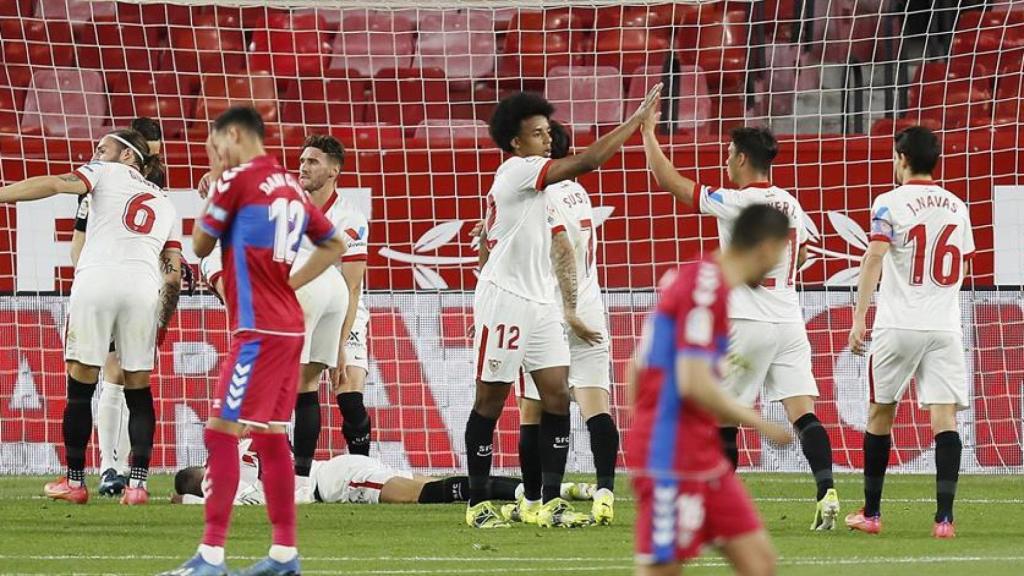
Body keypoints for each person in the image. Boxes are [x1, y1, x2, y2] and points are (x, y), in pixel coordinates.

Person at [463, 84, 662, 529]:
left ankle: (548, 500)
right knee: (490, 400)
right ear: (516, 143)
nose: (547, 137)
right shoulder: (518, 170)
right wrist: (636, 121)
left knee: (556, 397)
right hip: (506, 301)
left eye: (547, 131)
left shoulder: (538, 188)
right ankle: (477, 505)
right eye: (537, 132)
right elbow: (590, 161)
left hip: (540, 303)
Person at [160, 106, 345, 576]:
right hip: (288, 327)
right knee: (270, 436)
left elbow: (200, 247)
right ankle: (284, 555)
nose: (214, 153)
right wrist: (292, 282)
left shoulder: (236, 179)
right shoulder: (287, 183)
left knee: (221, 432)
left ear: (235, 136)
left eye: (216, 144)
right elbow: (334, 244)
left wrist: (217, 183)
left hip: (258, 330)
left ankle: (211, 556)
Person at [642, 119, 840, 529]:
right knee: (804, 414)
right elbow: (801, 257)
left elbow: (670, 181)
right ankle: (827, 492)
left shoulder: (733, 201)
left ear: (743, 158)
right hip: (789, 319)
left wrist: (647, 133)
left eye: (729, 154)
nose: (726, 161)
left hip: (746, 321)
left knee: (721, 418)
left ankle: (717, 508)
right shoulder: (790, 204)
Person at [0, 128, 180, 506]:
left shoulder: (105, 172)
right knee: (139, 388)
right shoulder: (165, 201)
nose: (96, 153)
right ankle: (137, 486)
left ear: (128, 156)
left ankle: (76, 481)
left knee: (81, 388)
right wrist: (162, 317)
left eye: (103, 149)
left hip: (97, 281)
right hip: (143, 290)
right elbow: (174, 271)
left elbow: (53, 184)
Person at [629, 204, 796, 576]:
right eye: (782, 253)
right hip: (670, 453)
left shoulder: (694, 276)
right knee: (663, 570)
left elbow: (636, 366)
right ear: (768, 248)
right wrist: (762, 424)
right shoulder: (707, 291)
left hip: (701, 450)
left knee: (759, 563)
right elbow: (694, 381)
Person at [845, 126, 975, 539]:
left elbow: (874, 257)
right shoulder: (957, 206)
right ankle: (944, 520)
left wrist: (859, 316)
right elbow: (965, 266)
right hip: (943, 326)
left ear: (901, 158)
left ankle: (872, 513)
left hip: (898, 324)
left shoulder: (889, 202)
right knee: (944, 418)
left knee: (881, 412)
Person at [501, 121, 618, 526]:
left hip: (550, 311)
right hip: (591, 307)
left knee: (533, 409)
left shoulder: (539, 192)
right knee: (595, 404)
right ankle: (605, 492)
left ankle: (535, 500)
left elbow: (558, 247)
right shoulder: (579, 191)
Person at [69, 117, 182, 497]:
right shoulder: (114, 182)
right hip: (138, 289)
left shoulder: (120, 179)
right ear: (136, 152)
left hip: (116, 284)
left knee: (107, 376)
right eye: (150, 153)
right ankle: (116, 470)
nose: (155, 161)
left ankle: (104, 471)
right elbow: (80, 238)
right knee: (125, 377)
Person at [291, 134, 372, 504]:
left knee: (349, 394)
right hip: (301, 313)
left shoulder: (350, 218)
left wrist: (340, 344)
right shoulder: (289, 211)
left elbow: (352, 288)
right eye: (302, 160)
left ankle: (362, 472)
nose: (303, 167)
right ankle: (299, 479)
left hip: (345, 313)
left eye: (313, 161)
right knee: (298, 390)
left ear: (334, 171)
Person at [172, 443, 521, 507]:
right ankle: (525, 490)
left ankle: (513, 492)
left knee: (414, 494)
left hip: (335, 483)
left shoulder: (216, 481)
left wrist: (183, 500)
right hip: (335, 468)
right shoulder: (239, 448)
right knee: (423, 484)